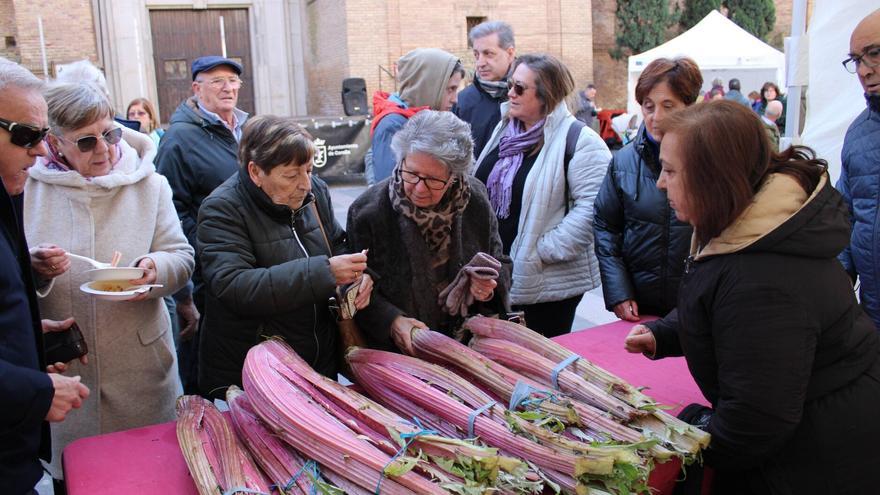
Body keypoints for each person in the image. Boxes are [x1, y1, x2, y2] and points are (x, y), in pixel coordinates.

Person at [624, 100, 880, 494]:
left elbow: (757, 421)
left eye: (671, 171)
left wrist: (692, 441)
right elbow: (719, 300)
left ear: (714, 178)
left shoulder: (763, 281)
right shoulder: (748, 227)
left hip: (814, 459)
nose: (660, 182)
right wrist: (668, 332)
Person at [24, 80, 194, 476]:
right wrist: (34, 269)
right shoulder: (28, 189)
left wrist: (154, 268)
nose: (103, 148)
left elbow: (182, 256)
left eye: (110, 133)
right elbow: (10, 278)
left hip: (141, 370)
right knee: (79, 475)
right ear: (55, 142)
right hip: (67, 375)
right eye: (86, 142)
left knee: (152, 473)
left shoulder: (150, 185)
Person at [197, 115, 372, 397]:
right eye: (291, 175)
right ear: (255, 172)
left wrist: (355, 278)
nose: (304, 184)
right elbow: (233, 285)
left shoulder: (316, 193)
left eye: (309, 170)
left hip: (317, 361)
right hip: (255, 371)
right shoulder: (222, 208)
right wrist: (325, 273)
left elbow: (336, 244)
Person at [0, 57, 90, 495]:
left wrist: (26, 339)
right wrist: (33, 389)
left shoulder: (7, 193)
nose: (39, 150)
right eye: (26, 135)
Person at [348, 111, 510, 352]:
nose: (419, 188)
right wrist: (392, 320)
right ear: (401, 160)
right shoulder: (368, 212)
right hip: (401, 354)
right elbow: (356, 290)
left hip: (467, 346)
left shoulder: (475, 199)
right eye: (411, 173)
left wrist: (488, 288)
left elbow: (500, 261)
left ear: (454, 177)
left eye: (434, 180)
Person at [474, 53, 611, 337]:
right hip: (497, 275)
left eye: (520, 88)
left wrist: (542, 251)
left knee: (539, 367)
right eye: (510, 84)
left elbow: (593, 209)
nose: (510, 93)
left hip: (547, 286)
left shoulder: (582, 142)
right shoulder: (505, 130)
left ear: (546, 95)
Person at [156, 55, 248, 393]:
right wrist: (205, 249)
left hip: (243, 265)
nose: (228, 87)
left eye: (233, 80)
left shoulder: (244, 128)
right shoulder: (179, 138)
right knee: (205, 364)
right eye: (217, 81)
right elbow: (168, 210)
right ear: (197, 88)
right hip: (206, 270)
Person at [594, 57, 702, 321]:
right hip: (639, 306)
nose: (657, 117)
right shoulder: (623, 162)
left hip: (696, 304)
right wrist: (618, 290)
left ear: (688, 106)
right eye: (648, 106)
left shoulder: (708, 161)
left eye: (669, 106)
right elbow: (606, 225)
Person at [837, 9, 880, 330]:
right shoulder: (857, 135)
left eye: (874, 54)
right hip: (872, 316)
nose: (864, 70)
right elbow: (843, 220)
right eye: (856, 60)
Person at [370, 48, 464, 183]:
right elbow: (390, 188)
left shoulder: (426, 119)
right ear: (428, 86)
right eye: (450, 89)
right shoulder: (394, 125)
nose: (455, 99)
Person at [455, 21, 516, 159]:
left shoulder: (529, 95)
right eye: (476, 55)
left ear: (510, 53)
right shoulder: (461, 102)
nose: (480, 63)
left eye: (488, 54)